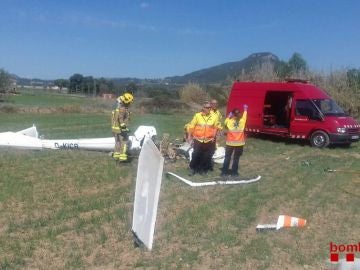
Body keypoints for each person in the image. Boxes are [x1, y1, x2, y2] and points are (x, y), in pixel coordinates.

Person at [186, 101, 219, 175]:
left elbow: (215, 128)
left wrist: (213, 136)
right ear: (203, 108)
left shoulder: (214, 117)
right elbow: (191, 126)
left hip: (208, 140)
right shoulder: (197, 116)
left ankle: (202, 169)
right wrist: (189, 136)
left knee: (206, 155)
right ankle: (192, 168)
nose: (209, 109)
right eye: (207, 107)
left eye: (210, 107)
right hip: (198, 139)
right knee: (196, 154)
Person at [221, 105, 248, 177]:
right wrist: (245, 110)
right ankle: (234, 172)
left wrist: (229, 116)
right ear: (239, 114)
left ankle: (224, 172)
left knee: (227, 157)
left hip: (230, 143)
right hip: (239, 144)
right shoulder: (242, 121)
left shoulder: (229, 121)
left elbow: (225, 122)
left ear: (233, 115)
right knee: (236, 158)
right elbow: (245, 117)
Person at [111, 92, 134, 162]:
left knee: (117, 143)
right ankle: (122, 158)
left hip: (116, 129)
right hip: (121, 130)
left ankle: (116, 156)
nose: (131, 103)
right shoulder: (123, 109)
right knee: (124, 143)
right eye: (130, 102)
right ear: (128, 102)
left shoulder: (119, 108)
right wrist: (124, 128)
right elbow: (120, 119)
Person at [209, 99, 223, 170]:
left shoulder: (218, 112)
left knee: (215, 145)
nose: (215, 105)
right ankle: (208, 160)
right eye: (213, 104)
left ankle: (213, 158)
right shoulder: (208, 112)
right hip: (209, 132)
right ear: (210, 104)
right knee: (209, 145)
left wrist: (220, 129)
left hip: (216, 131)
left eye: (216, 104)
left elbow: (219, 122)